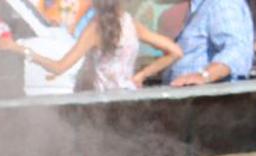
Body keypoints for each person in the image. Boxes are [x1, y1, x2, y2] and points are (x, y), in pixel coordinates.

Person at [29, 0, 184, 89]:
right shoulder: (130, 23)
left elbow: (60, 67)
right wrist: (141, 76)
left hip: (101, 104)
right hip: (128, 98)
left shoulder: (95, 29)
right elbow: (175, 52)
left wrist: (26, 52)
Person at [166, 0, 255, 85]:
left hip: (211, 95)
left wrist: (204, 75)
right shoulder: (197, 6)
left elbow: (238, 48)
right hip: (188, 94)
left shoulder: (221, 3)